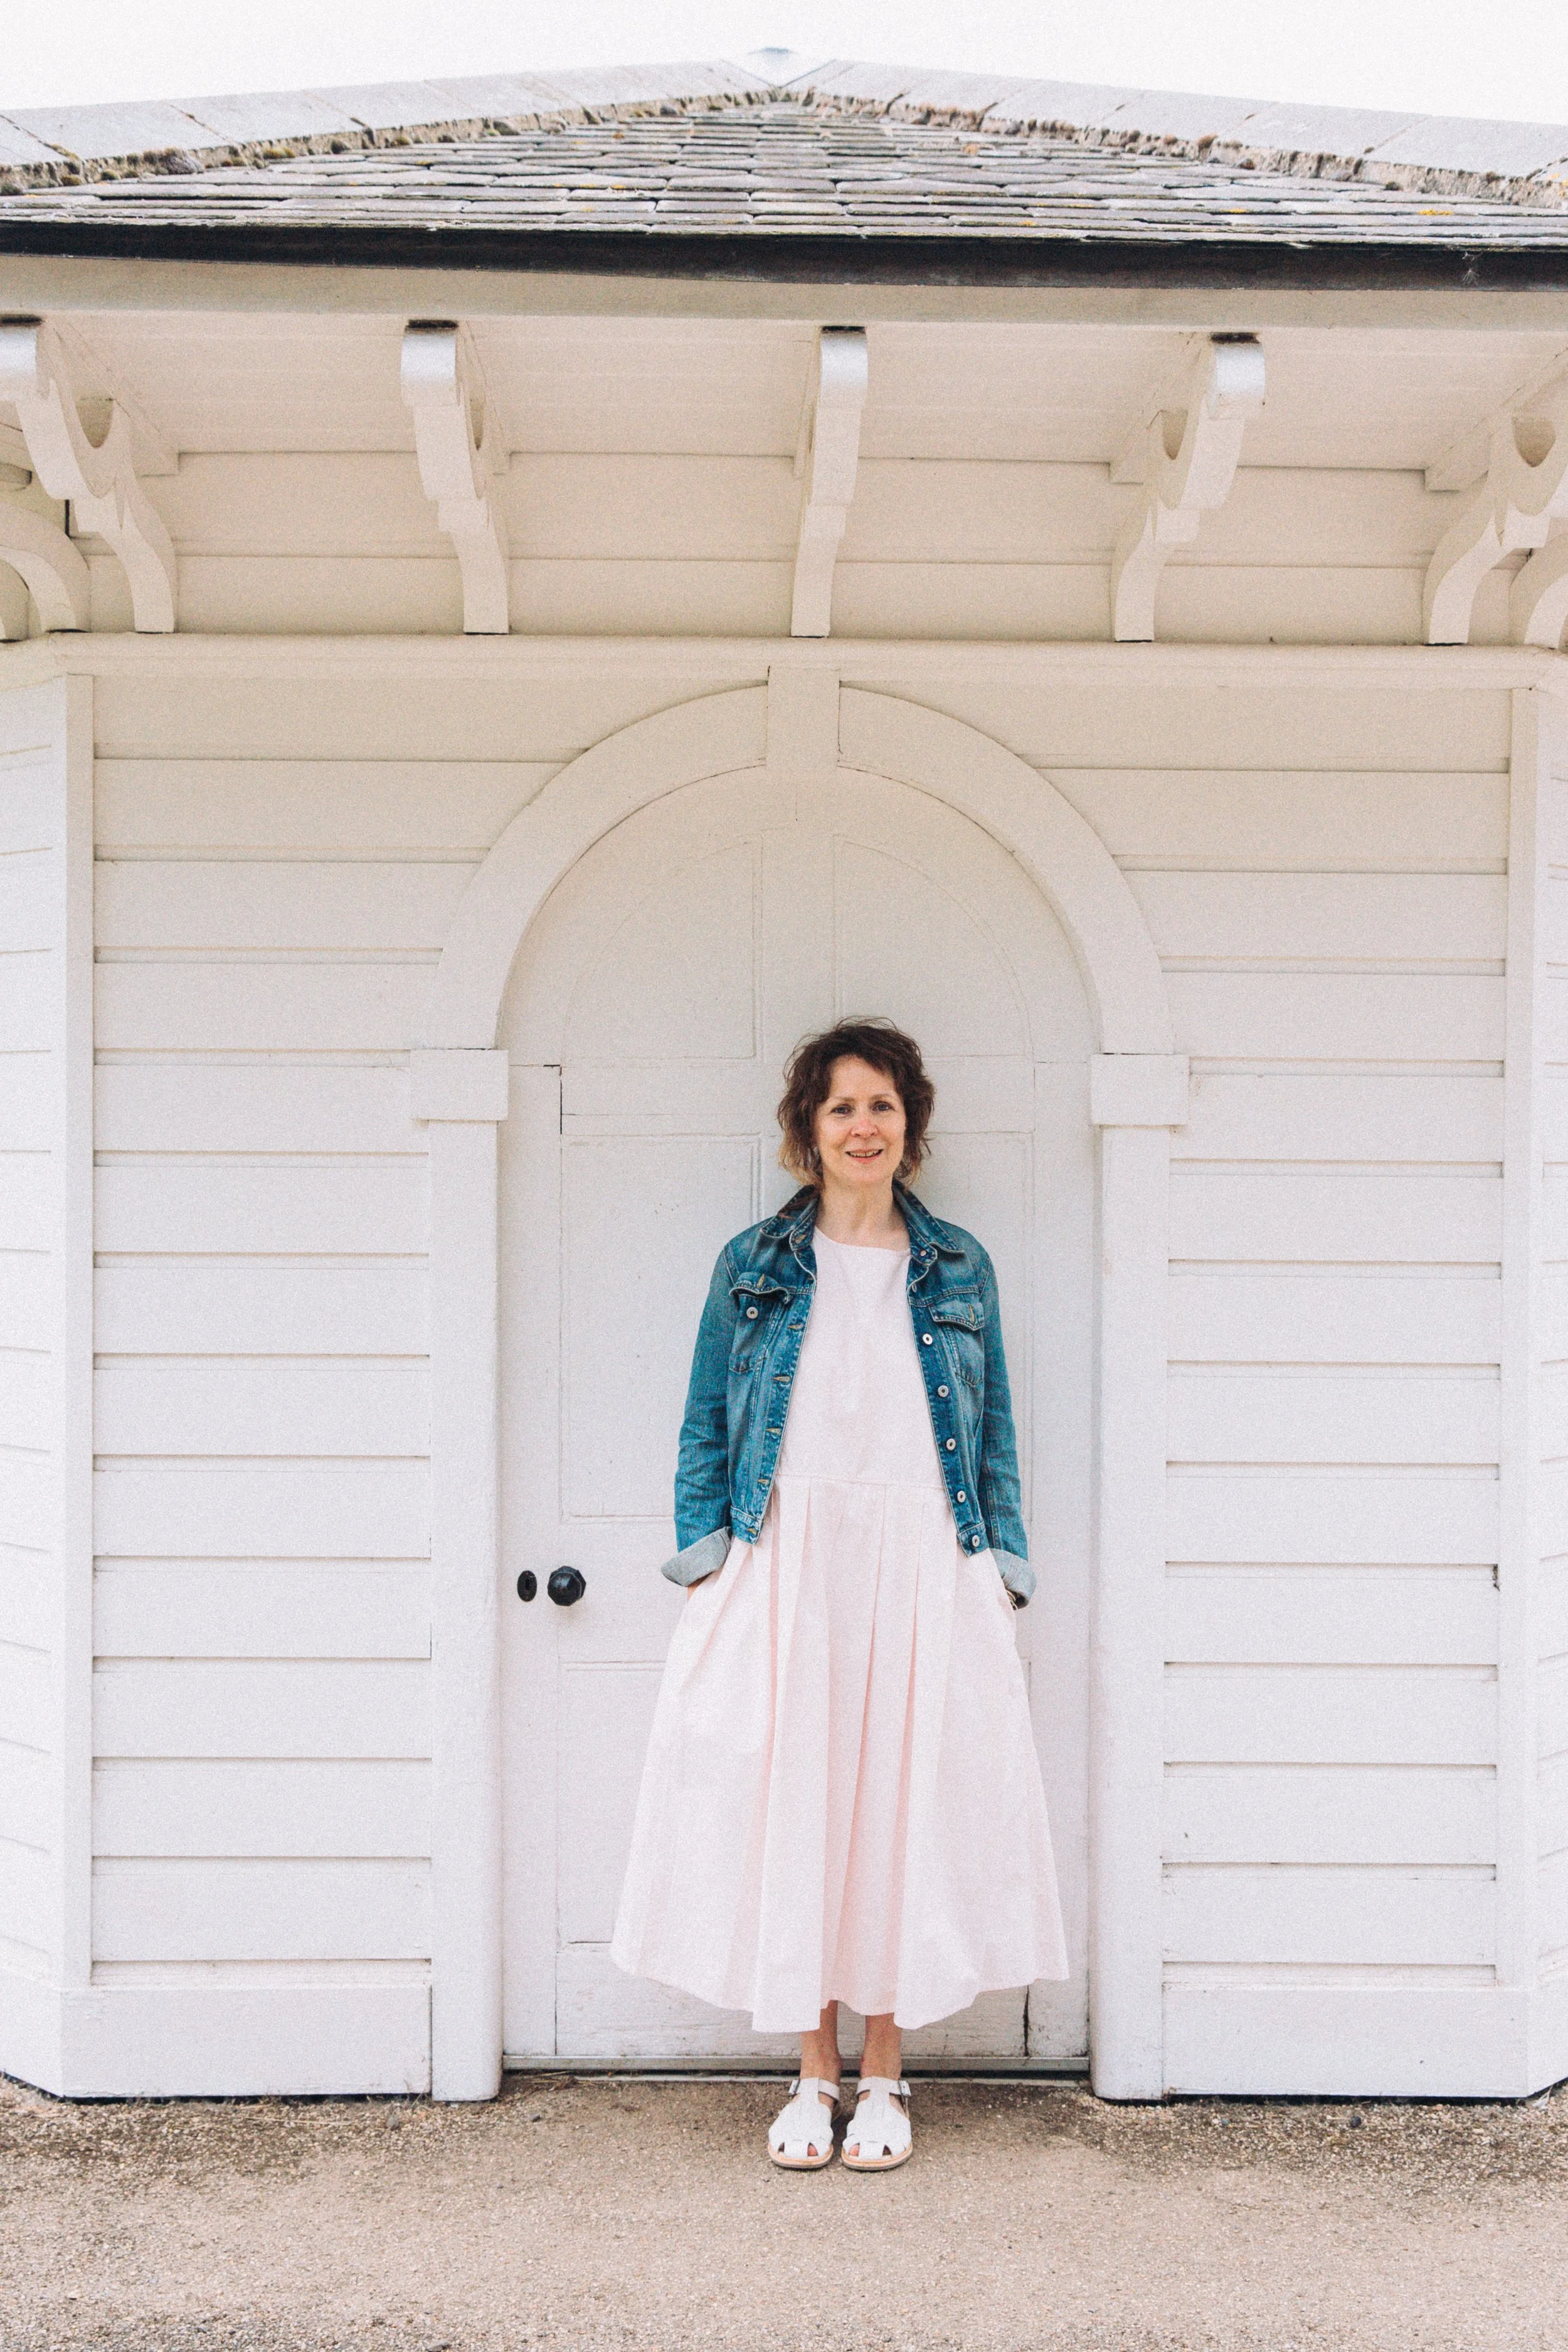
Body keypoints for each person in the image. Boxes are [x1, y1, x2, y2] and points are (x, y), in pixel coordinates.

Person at [612, 1019, 1066, 2171]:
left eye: (882, 1105)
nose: (864, 1126)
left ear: (909, 1126)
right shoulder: (753, 1264)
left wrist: (999, 1563)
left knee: (906, 1800)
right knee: (798, 1797)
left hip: (924, 1554)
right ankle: (812, 2070)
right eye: (840, 1107)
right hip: (787, 1557)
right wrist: (708, 1559)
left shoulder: (958, 1265)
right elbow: (705, 1420)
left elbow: (996, 1421)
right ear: (807, 1131)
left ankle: (885, 2070)